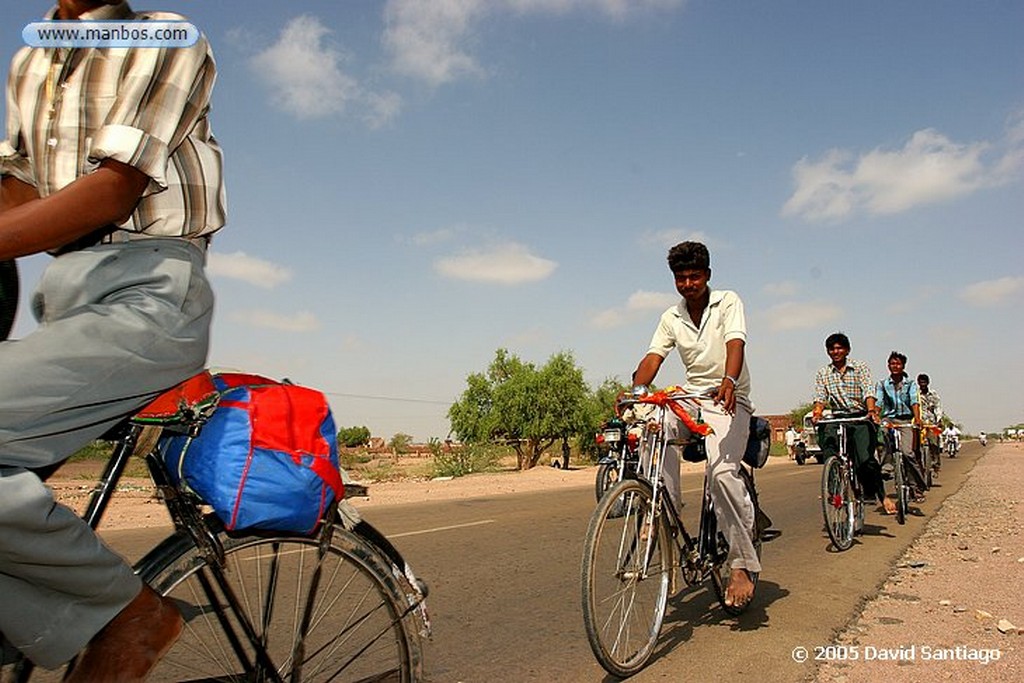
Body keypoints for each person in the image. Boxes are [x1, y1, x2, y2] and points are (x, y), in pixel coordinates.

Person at [0, 0, 225, 677]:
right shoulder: (33, 57)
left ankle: (126, 612)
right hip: (66, 303)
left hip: (149, 294)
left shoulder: (165, 38)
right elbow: (16, 185)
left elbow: (113, 189)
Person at [630, 241, 759, 609]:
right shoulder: (671, 317)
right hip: (691, 395)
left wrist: (730, 381)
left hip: (727, 396)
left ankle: (741, 563)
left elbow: (736, 344)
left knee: (721, 474)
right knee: (653, 422)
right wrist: (639, 389)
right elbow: (654, 357)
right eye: (681, 278)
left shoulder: (728, 302)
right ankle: (659, 507)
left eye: (694, 276)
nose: (688, 283)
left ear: (707, 276)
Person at [811, 333, 896, 515]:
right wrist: (817, 413)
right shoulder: (823, 373)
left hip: (859, 417)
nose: (836, 351)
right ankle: (834, 488)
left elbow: (868, 390)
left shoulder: (859, 367)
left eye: (839, 348)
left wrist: (871, 411)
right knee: (828, 447)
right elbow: (820, 397)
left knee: (865, 459)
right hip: (838, 417)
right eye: (832, 348)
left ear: (847, 350)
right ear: (828, 352)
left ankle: (881, 495)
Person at [875, 351, 928, 502]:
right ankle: (887, 466)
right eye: (892, 363)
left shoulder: (910, 384)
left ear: (903, 366)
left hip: (906, 421)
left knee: (908, 453)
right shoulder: (882, 384)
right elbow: (879, 402)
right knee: (883, 432)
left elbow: (914, 401)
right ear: (888, 366)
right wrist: (876, 415)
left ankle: (916, 487)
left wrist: (917, 418)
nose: (895, 366)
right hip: (889, 419)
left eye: (898, 363)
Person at [917, 373, 943, 474]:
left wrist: (939, 419)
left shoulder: (933, 394)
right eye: (921, 382)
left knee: (934, 443)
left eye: (924, 381)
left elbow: (938, 407)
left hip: (932, 423)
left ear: (928, 382)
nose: (923, 384)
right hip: (919, 423)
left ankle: (935, 465)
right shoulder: (915, 394)